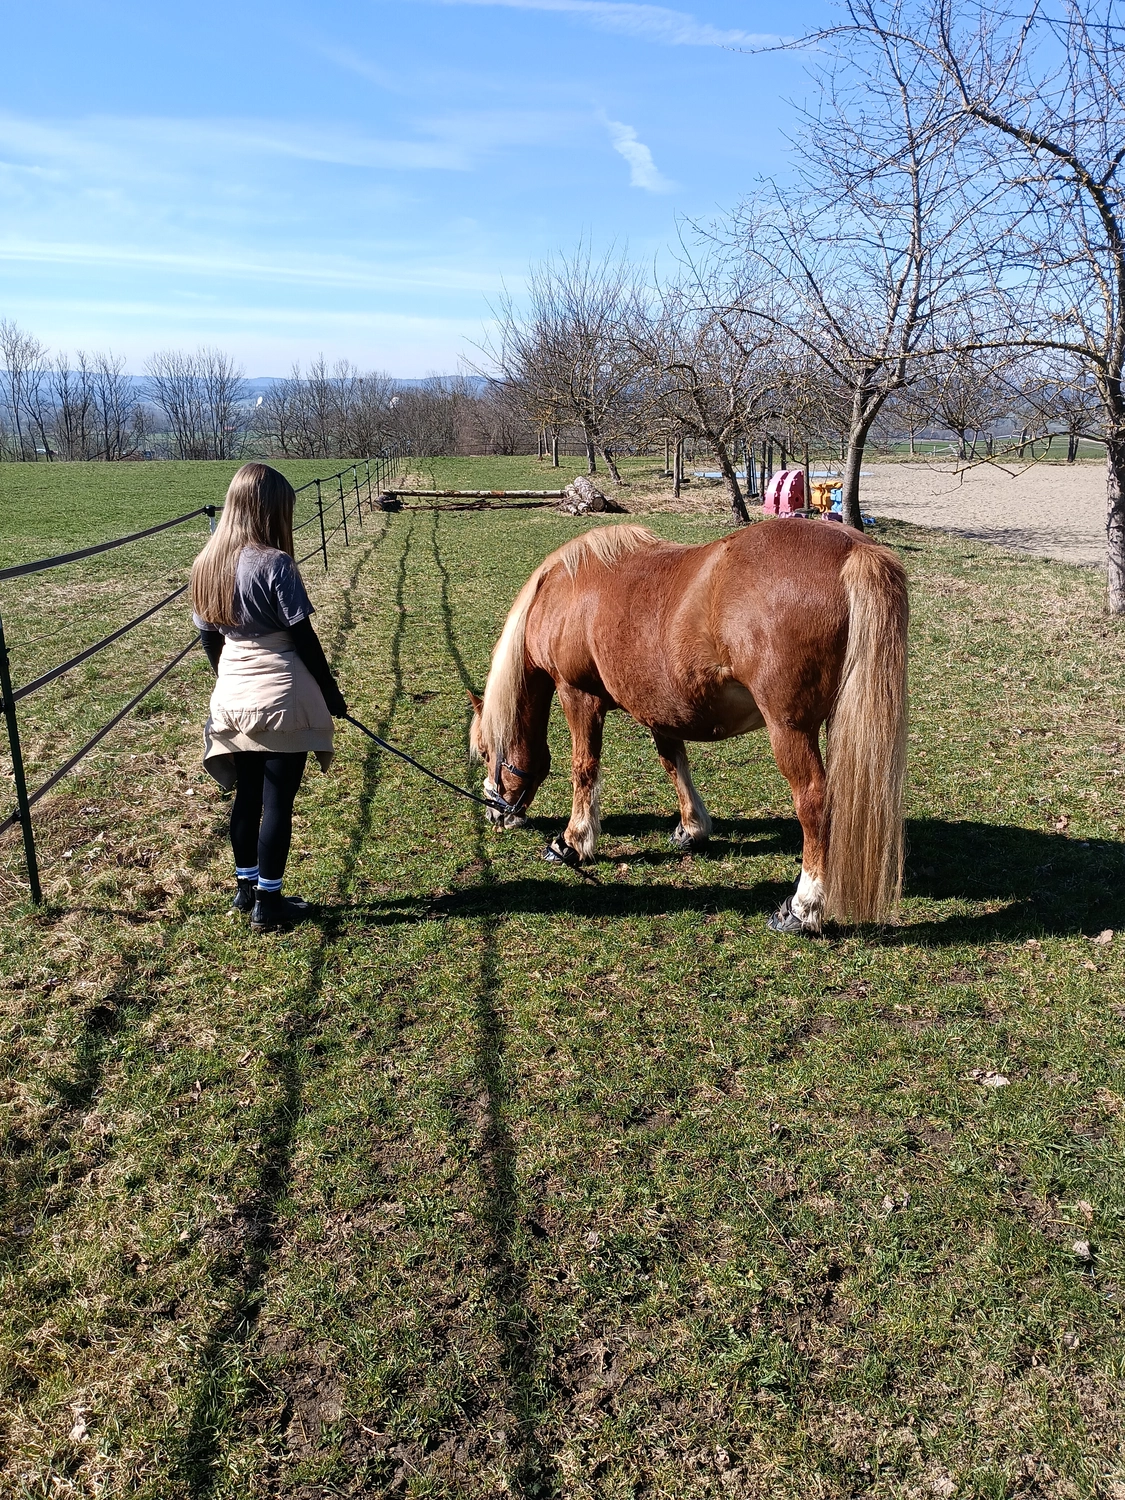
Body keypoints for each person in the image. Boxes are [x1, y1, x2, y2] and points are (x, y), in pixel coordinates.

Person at [190, 463, 347, 932]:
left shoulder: (206, 565)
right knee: (278, 801)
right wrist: (331, 691)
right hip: (281, 693)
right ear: (270, 510)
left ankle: (246, 887)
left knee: (246, 797)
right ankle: (270, 899)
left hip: (232, 692)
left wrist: (228, 680)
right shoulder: (275, 563)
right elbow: (304, 637)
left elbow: (209, 640)